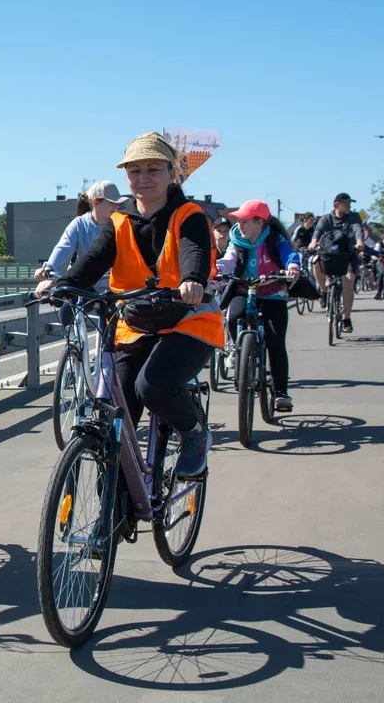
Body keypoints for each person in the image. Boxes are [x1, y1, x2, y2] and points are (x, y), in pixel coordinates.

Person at [36, 131, 222, 479]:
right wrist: (63, 284)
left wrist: (192, 280)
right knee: (114, 416)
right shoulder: (119, 221)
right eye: (134, 171)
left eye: (153, 169)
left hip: (187, 322)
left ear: (171, 173)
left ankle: (195, 435)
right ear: (126, 177)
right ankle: (117, 510)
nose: (143, 178)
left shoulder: (189, 215)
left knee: (152, 386)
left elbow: (194, 250)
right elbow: (90, 262)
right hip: (135, 326)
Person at [215, 201, 302, 412]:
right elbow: (229, 259)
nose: (240, 224)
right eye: (239, 220)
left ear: (259, 222)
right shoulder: (237, 239)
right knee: (233, 318)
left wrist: (292, 266)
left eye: (245, 221)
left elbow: (289, 254)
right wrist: (216, 270)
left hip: (272, 291)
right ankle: (239, 350)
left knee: (275, 340)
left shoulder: (274, 238)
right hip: (245, 289)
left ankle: (281, 393)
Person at [35, 180, 126, 290]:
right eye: (112, 202)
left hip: (115, 289)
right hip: (84, 287)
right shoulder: (79, 224)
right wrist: (48, 269)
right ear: (96, 202)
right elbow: (63, 247)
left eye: (117, 203)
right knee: (66, 306)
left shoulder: (121, 223)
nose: (116, 207)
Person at [309, 193, 365, 333]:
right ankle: (323, 292)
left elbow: (358, 229)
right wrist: (314, 242)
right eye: (345, 203)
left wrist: (359, 242)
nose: (348, 206)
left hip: (347, 253)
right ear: (336, 204)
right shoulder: (326, 218)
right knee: (316, 262)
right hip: (329, 253)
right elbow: (318, 231)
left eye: (349, 203)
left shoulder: (353, 216)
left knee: (348, 282)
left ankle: (346, 318)